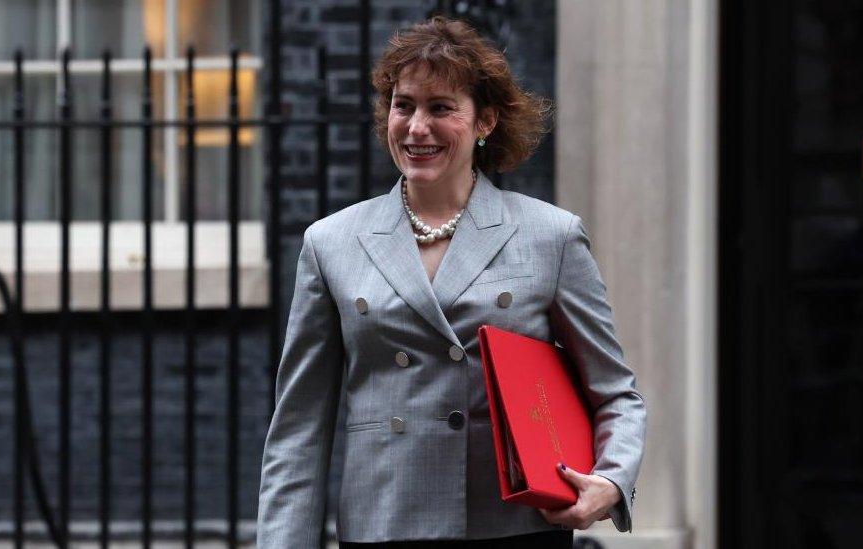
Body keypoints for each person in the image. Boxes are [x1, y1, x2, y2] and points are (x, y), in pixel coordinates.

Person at [257, 16, 646, 549]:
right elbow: (299, 427)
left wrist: (611, 478)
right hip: (385, 523)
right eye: (404, 105)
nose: (417, 127)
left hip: (512, 527)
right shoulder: (332, 243)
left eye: (441, 108)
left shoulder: (549, 235)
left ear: (484, 121)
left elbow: (616, 393)